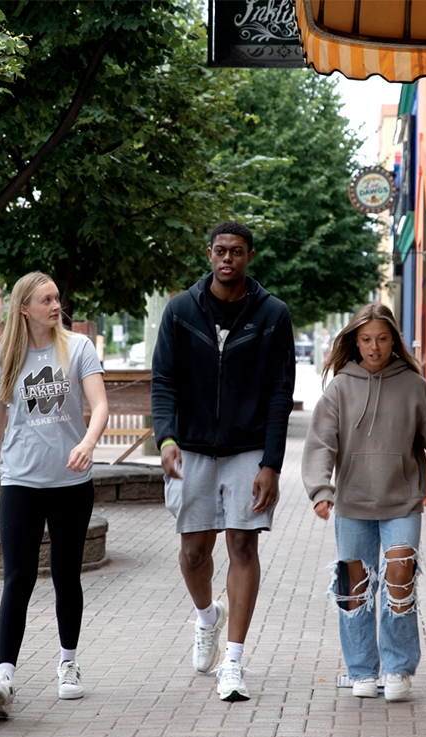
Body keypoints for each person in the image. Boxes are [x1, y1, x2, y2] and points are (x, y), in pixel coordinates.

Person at [151, 221, 295, 702]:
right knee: (194, 551)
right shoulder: (179, 311)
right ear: (208, 254)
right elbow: (164, 380)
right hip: (191, 447)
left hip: (248, 447)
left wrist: (271, 463)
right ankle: (206, 617)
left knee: (243, 546)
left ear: (249, 256)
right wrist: (166, 438)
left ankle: (233, 662)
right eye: (219, 251)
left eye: (236, 251)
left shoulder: (273, 315)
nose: (227, 258)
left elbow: (280, 393)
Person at [302, 303, 426, 702]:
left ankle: (397, 668)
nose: (373, 347)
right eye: (365, 339)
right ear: (354, 342)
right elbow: (321, 444)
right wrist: (320, 491)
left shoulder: (413, 386)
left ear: (393, 339)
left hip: (402, 502)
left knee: (399, 580)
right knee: (354, 589)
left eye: (381, 338)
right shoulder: (340, 387)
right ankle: (362, 670)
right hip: (353, 503)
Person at [0, 271, 109, 718]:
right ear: (24, 308)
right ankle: (4, 676)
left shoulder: (79, 348)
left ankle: (68, 664)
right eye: (46, 300)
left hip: (71, 485)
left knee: (67, 575)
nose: (56, 306)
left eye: (57, 299)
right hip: (20, 484)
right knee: (18, 578)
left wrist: (88, 442)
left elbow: (100, 405)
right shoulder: (2, 359)